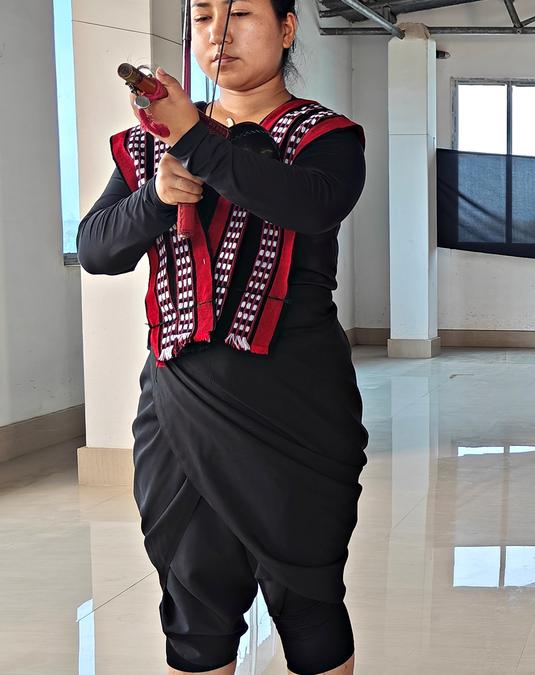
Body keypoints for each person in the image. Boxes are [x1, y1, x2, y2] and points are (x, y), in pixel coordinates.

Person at [76, 1, 367, 672]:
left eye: (241, 13)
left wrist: (195, 139)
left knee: (309, 605)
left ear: (287, 29)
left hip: (294, 409)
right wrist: (157, 197)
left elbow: (311, 204)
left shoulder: (324, 136)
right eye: (203, 16)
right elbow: (96, 249)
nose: (219, 32)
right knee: (194, 611)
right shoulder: (150, 143)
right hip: (178, 411)